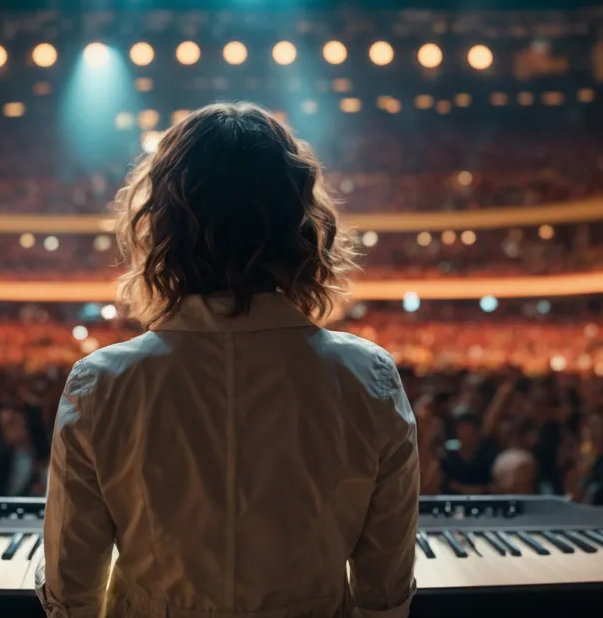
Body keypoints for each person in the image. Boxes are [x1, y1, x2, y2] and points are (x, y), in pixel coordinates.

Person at [38, 103, 420, 618]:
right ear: (301, 226)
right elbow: (384, 596)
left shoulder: (101, 383)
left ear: (163, 229)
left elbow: (72, 594)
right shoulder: (368, 377)